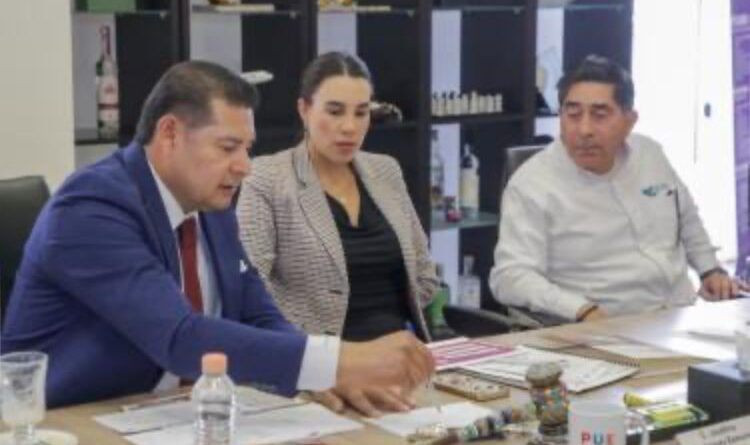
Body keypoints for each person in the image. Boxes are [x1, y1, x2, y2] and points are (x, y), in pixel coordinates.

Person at [1, 60, 434, 414]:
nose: (244, 165)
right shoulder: (91, 207)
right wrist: (340, 360)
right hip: (65, 421)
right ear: (170, 133)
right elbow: (180, 338)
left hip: (175, 414)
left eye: (247, 148)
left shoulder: (211, 204)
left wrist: (319, 377)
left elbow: (258, 314)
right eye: (228, 148)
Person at [490, 55, 741, 323]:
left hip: (680, 315)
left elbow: (687, 219)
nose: (584, 130)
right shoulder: (532, 184)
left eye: (599, 115)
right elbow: (510, 277)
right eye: (573, 115)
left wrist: (710, 271)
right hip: (604, 325)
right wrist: (580, 309)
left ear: (629, 121)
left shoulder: (649, 154)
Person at [236, 52, 438, 342]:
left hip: (401, 352)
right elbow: (251, 292)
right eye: (335, 111)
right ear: (304, 110)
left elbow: (424, 275)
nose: (349, 127)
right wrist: (327, 350)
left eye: (361, 113)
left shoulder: (386, 171)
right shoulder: (268, 178)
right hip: (317, 358)